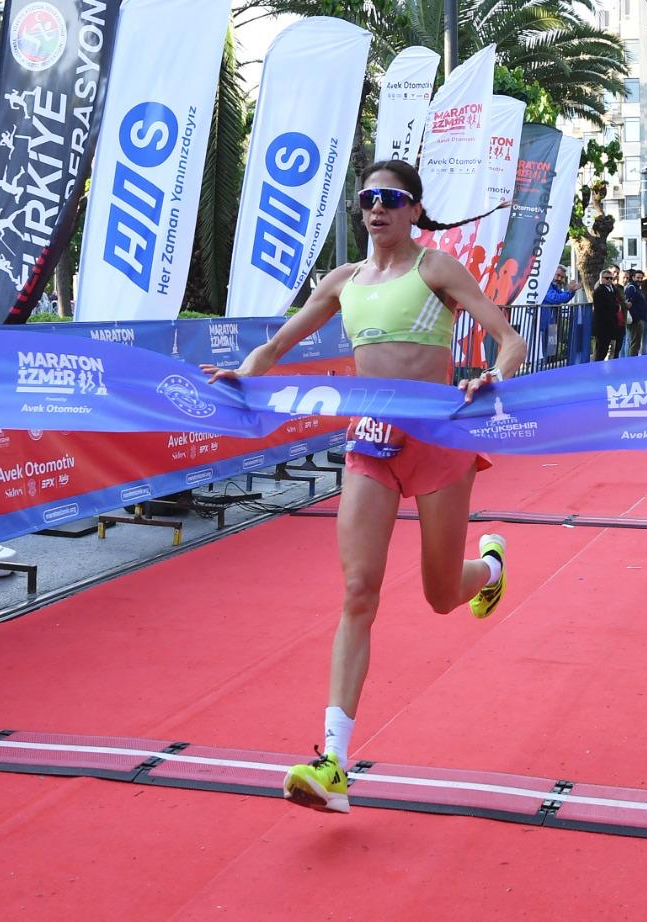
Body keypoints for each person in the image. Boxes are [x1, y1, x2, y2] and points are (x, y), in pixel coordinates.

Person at [205, 160, 525, 815]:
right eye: (368, 199)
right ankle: (333, 762)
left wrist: (492, 376)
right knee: (357, 592)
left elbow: (509, 340)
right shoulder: (343, 280)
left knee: (441, 596)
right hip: (371, 440)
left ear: (413, 210)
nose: (376, 208)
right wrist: (241, 373)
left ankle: (487, 570)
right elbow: (275, 348)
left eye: (390, 199)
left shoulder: (435, 269)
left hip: (439, 439)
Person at [591, 267, 623, 361]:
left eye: (611, 278)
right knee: (601, 351)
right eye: (607, 278)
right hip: (603, 326)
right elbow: (602, 309)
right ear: (601, 279)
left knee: (610, 350)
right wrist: (616, 307)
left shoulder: (612, 289)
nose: (609, 280)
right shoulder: (599, 291)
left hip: (611, 325)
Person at [623, 269, 647, 357]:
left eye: (641, 278)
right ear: (633, 277)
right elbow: (628, 303)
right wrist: (636, 318)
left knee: (635, 343)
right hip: (635, 320)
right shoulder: (631, 288)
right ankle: (631, 363)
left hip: (639, 319)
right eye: (637, 278)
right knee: (634, 343)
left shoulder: (636, 288)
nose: (640, 280)